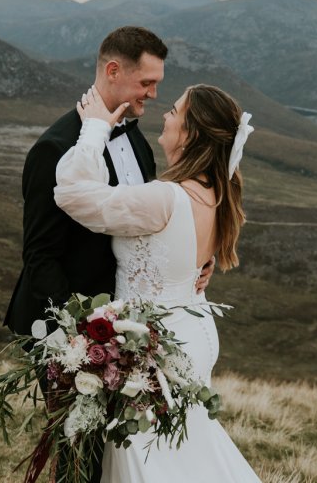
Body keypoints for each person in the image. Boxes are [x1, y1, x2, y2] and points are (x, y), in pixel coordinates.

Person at [3, 26, 214, 482]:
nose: (155, 94)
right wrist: (81, 336)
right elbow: (40, 256)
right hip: (72, 329)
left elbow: (151, 222)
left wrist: (194, 259)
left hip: (125, 330)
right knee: (81, 455)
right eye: (147, 83)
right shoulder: (54, 148)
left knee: (122, 452)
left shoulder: (137, 141)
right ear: (113, 71)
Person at [53, 84, 260, 482]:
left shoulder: (166, 197)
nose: (165, 115)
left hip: (154, 347)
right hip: (192, 334)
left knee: (147, 458)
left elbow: (74, 195)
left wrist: (94, 129)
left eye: (175, 111)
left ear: (191, 131)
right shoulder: (217, 191)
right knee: (187, 450)